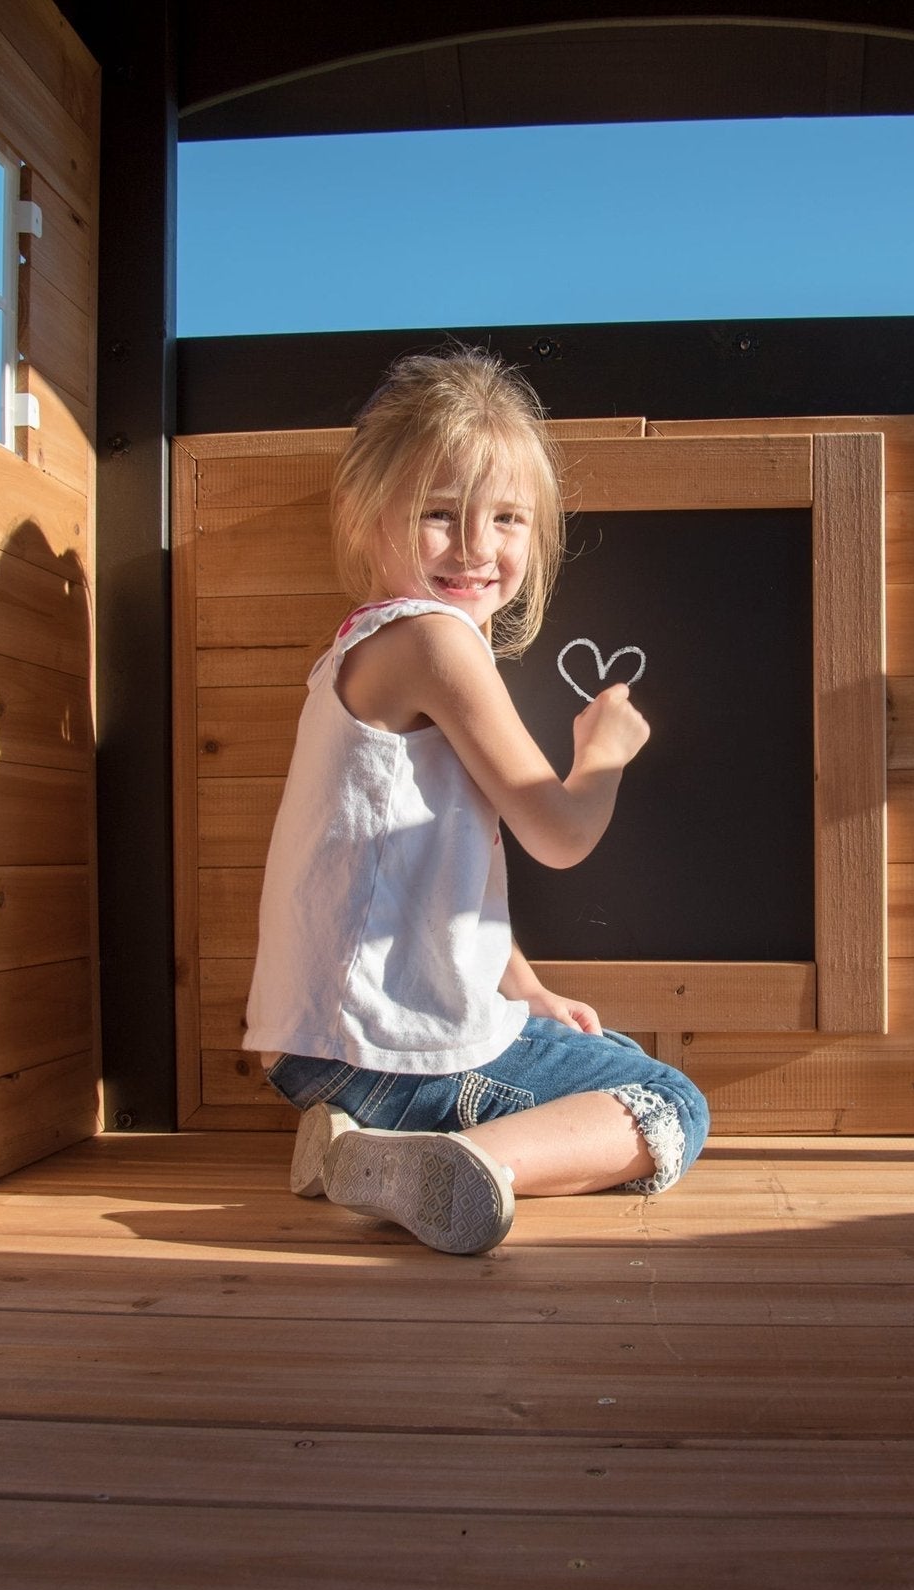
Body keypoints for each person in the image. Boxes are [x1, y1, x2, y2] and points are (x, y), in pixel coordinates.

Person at [244, 346, 710, 1254]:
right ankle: (453, 1163)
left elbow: (430, 881)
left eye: (506, 518)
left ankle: (358, 1152)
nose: (476, 547)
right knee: (668, 1099)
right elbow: (559, 833)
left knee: (607, 1052)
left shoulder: (365, 650)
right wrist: (603, 754)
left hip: (317, 1051)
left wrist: (523, 987)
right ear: (367, 515)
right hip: (385, 1050)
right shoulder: (435, 641)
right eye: (439, 514)